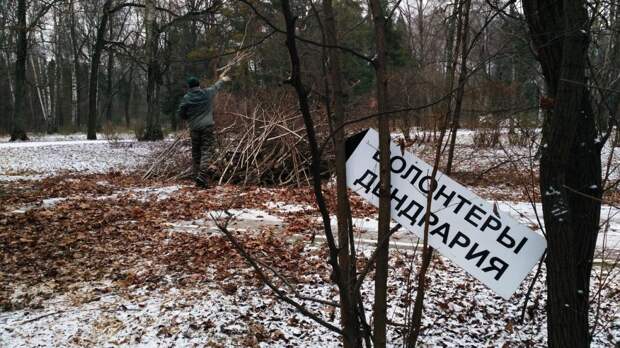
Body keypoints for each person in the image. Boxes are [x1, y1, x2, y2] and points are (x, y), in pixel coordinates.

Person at [178, 74, 231, 188]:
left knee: (196, 152)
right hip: (207, 127)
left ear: (189, 86)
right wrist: (222, 79)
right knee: (206, 151)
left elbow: (181, 113)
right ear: (198, 85)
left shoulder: (187, 97)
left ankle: (197, 177)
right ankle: (202, 176)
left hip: (194, 128)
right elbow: (216, 87)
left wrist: (188, 118)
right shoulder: (206, 93)